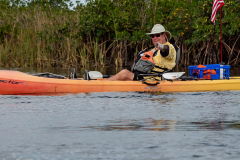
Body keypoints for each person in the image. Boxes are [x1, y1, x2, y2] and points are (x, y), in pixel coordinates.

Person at [105, 24, 177, 81]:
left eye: (157, 35)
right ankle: (106, 82)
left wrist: (162, 47)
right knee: (123, 79)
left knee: (124, 73)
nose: (155, 38)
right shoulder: (152, 50)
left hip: (152, 79)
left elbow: (166, 50)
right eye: (152, 36)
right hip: (142, 77)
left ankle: (103, 83)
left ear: (164, 35)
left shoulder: (169, 47)